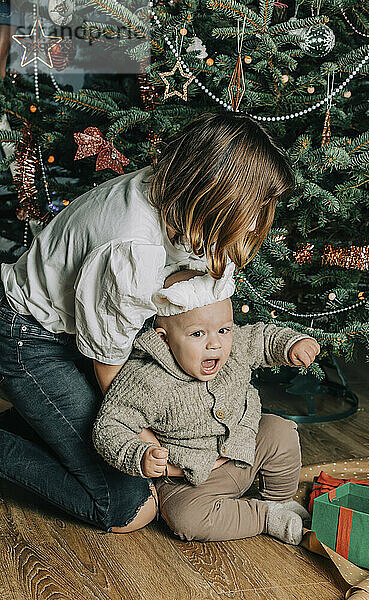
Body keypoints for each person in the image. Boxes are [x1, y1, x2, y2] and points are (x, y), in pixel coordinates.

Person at [0, 112, 296, 532]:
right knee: (128, 509)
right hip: (30, 338)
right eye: (251, 210)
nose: (254, 224)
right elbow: (113, 370)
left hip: (83, 331)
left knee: (88, 438)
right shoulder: (134, 247)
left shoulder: (175, 193)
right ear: (215, 192)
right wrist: (158, 450)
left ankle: (42, 420)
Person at [92, 266, 320, 543]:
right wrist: (139, 455)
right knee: (185, 517)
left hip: (244, 450)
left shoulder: (232, 346)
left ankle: (280, 499)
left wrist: (291, 344)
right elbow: (110, 425)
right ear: (165, 340)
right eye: (198, 334)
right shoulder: (147, 380)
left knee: (280, 431)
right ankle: (265, 516)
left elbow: (261, 337)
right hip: (190, 481)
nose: (215, 344)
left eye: (223, 330)